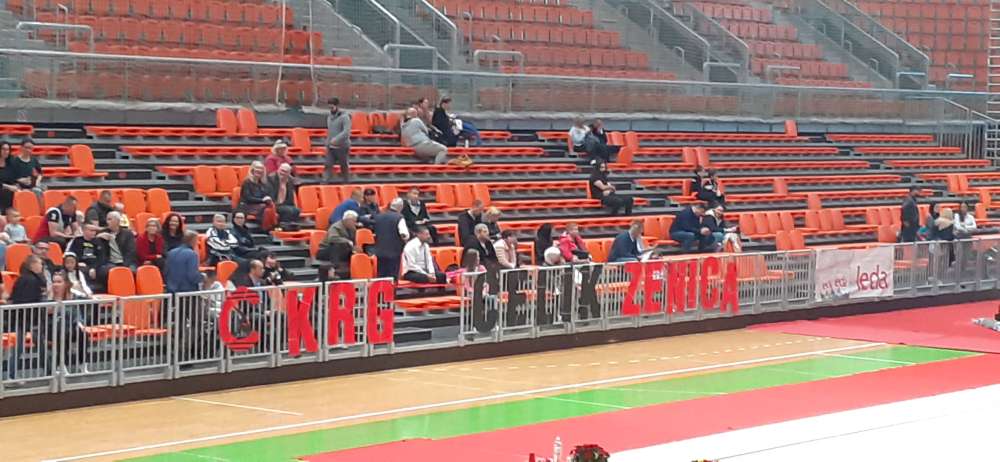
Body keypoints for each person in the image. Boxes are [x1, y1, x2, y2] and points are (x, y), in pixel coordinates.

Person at [6, 255, 49, 380]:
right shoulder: (32, 281)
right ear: (32, 265)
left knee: (25, 347)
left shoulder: (22, 278)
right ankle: (11, 375)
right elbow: (29, 300)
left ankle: (48, 370)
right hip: (30, 318)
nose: (41, 266)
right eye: (39, 263)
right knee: (30, 346)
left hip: (21, 317)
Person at [372, 197, 409, 280]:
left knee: (381, 276)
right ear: (400, 207)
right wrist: (406, 242)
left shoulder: (379, 217)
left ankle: (381, 288)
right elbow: (404, 234)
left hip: (380, 251)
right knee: (392, 277)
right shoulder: (399, 217)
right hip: (394, 252)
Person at [317, 210, 358, 279]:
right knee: (337, 245)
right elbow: (332, 238)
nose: (355, 223)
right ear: (347, 220)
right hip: (325, 250)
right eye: (353, 221)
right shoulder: (336, 227)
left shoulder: (352, 229)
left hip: (342, 251)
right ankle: (335, 269)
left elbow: (353, 242)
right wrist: (347, 241)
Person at [66, 224, 107, 291]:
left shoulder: (98, 241)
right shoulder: (77, 240)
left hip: (96, 265)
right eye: (91, 230)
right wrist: (77, 262)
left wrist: (94, 268)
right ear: (84, 231)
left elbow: (101, 257)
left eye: (95, 231)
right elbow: (70, 254)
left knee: (105, 270)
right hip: (81, 264)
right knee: (81, 269)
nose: (94, 232)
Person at [325, 97, 352, 184]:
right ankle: (325, 182)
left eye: (332, 107)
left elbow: (346, 132)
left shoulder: (345, 117)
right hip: (331, 146)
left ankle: (346, 182)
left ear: (337, 106)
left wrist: (336, 139)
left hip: (342, 146)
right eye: (329, 107)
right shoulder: (329, 117)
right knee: (328, 164)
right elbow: (330, 131)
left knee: (343, 166)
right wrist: (328, 142)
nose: (330, 109)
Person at [266, 163, 301, 230]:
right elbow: (270, 193)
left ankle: (293, 227)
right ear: (278, 169)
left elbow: (290, 196)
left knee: (296, 210)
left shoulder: (290, 180)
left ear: (289, 173)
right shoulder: (271, 178)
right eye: (282, 170)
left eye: (285, 172)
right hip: (274, 203)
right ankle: (284, 227)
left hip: (286, 203)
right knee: (287, 210)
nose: (282, 173)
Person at [0, 142, 17, 213]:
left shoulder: (10, 163)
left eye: (7, 149)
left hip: (9, 189)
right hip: (3, 188)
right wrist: (8, 186)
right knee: (6, 192)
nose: (6, 151)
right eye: (3, 149)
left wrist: (17, 184)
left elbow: (13, 179)